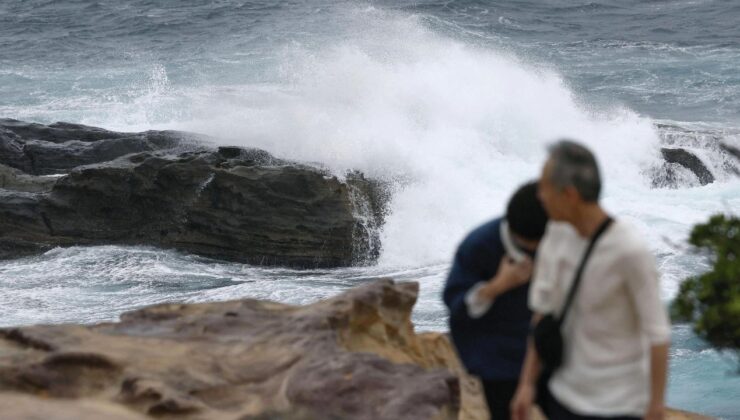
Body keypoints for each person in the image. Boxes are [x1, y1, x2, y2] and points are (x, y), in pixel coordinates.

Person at [511, 140, 671, 420]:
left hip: (620, 406)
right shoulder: (555, 237)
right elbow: (542, 315)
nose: (540, 196)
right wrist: (526, 384)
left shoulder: (628, 250)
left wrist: (655, 408)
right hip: (564, 398)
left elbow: (657, 334)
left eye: (545, 188)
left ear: (569, 195)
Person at [443, 181, 549, 420]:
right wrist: (498, 285)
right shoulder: (479, 245)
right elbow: (457, 306)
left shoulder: (558, 236)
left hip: (549, 349)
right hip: (497, 356)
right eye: (533, 246)